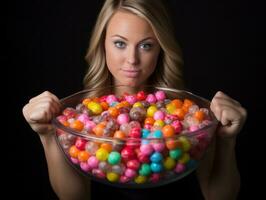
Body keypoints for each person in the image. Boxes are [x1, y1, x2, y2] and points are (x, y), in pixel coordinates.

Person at [22, 0, 247, 199]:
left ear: (161, 49)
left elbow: (220, 196)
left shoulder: (191, 118)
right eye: (120, 43)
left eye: (146, 45)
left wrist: (227, 140)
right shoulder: (80, 117)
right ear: (102, 44)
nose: (132, 59)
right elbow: (74, 197)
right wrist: (48, 134)